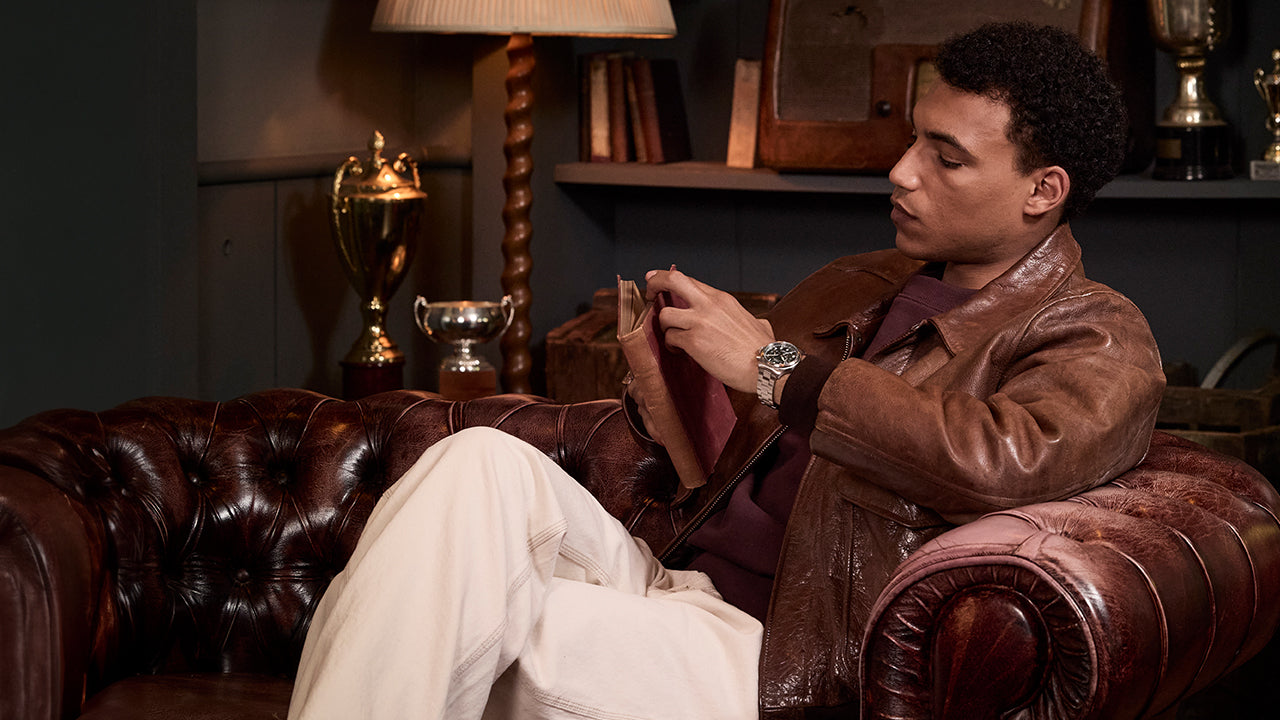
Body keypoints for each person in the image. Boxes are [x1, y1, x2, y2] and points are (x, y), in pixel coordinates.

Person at [287, 21, 1165, 720]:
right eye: (911, 143)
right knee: (471, 464)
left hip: (780, 651)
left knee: (418, 618)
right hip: (674, 578)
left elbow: (999, 460)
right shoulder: (859, 283)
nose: (899, 173)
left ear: (1042, 190)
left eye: (947, 156)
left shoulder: (1095, 336)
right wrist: (677, 369)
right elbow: (729, 451)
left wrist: (772, 363)